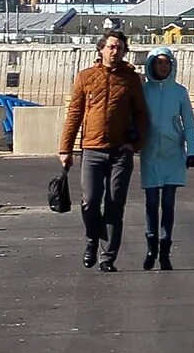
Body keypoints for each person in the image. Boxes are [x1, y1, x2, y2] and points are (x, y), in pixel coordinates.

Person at [59, 29, 149, 269]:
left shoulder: (131, 79)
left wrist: (135, 144)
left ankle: (107, 257)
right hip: (92, 149)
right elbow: (74, 114)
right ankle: (91, 238)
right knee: (89, 201)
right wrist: (65, 149)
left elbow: (142, 115)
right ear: (101, 49)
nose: (115, 51)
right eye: (111, 46)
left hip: (121, 151)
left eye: (119, 47)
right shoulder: (85, 77)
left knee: (114, 204)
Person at [137, 47, 194, 270]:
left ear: (172, 66)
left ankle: (165, 249)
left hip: (173, 153)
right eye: (159, 62)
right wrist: (134, 137)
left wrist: (192, 151)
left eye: (167, 63)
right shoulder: (144, 91)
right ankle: (151, 246)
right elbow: (135, 117)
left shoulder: (180, 92)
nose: (163, 66)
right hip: (150, 153)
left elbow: (189, 123)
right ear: (151, 65)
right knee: (152, 202)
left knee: (168, 203)